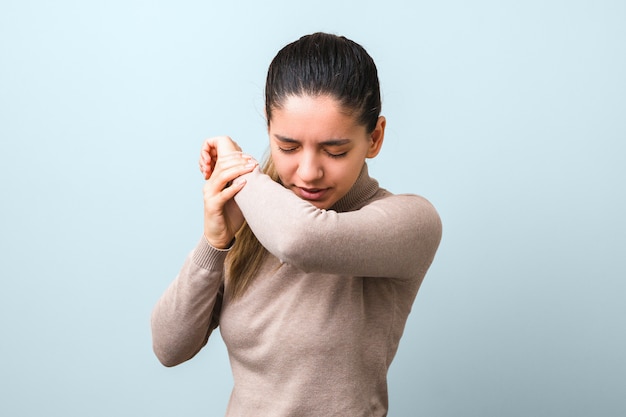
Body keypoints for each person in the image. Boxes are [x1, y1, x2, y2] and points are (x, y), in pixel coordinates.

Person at [151, 32, 442, 416]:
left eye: (334, 150)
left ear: (374, 138)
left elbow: (301, 239)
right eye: (287, 147)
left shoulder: (410, 223)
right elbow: (169, 347)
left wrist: (239, 172)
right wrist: (215, 241)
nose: (308, 172)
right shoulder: (256, 217)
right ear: (269, 132)